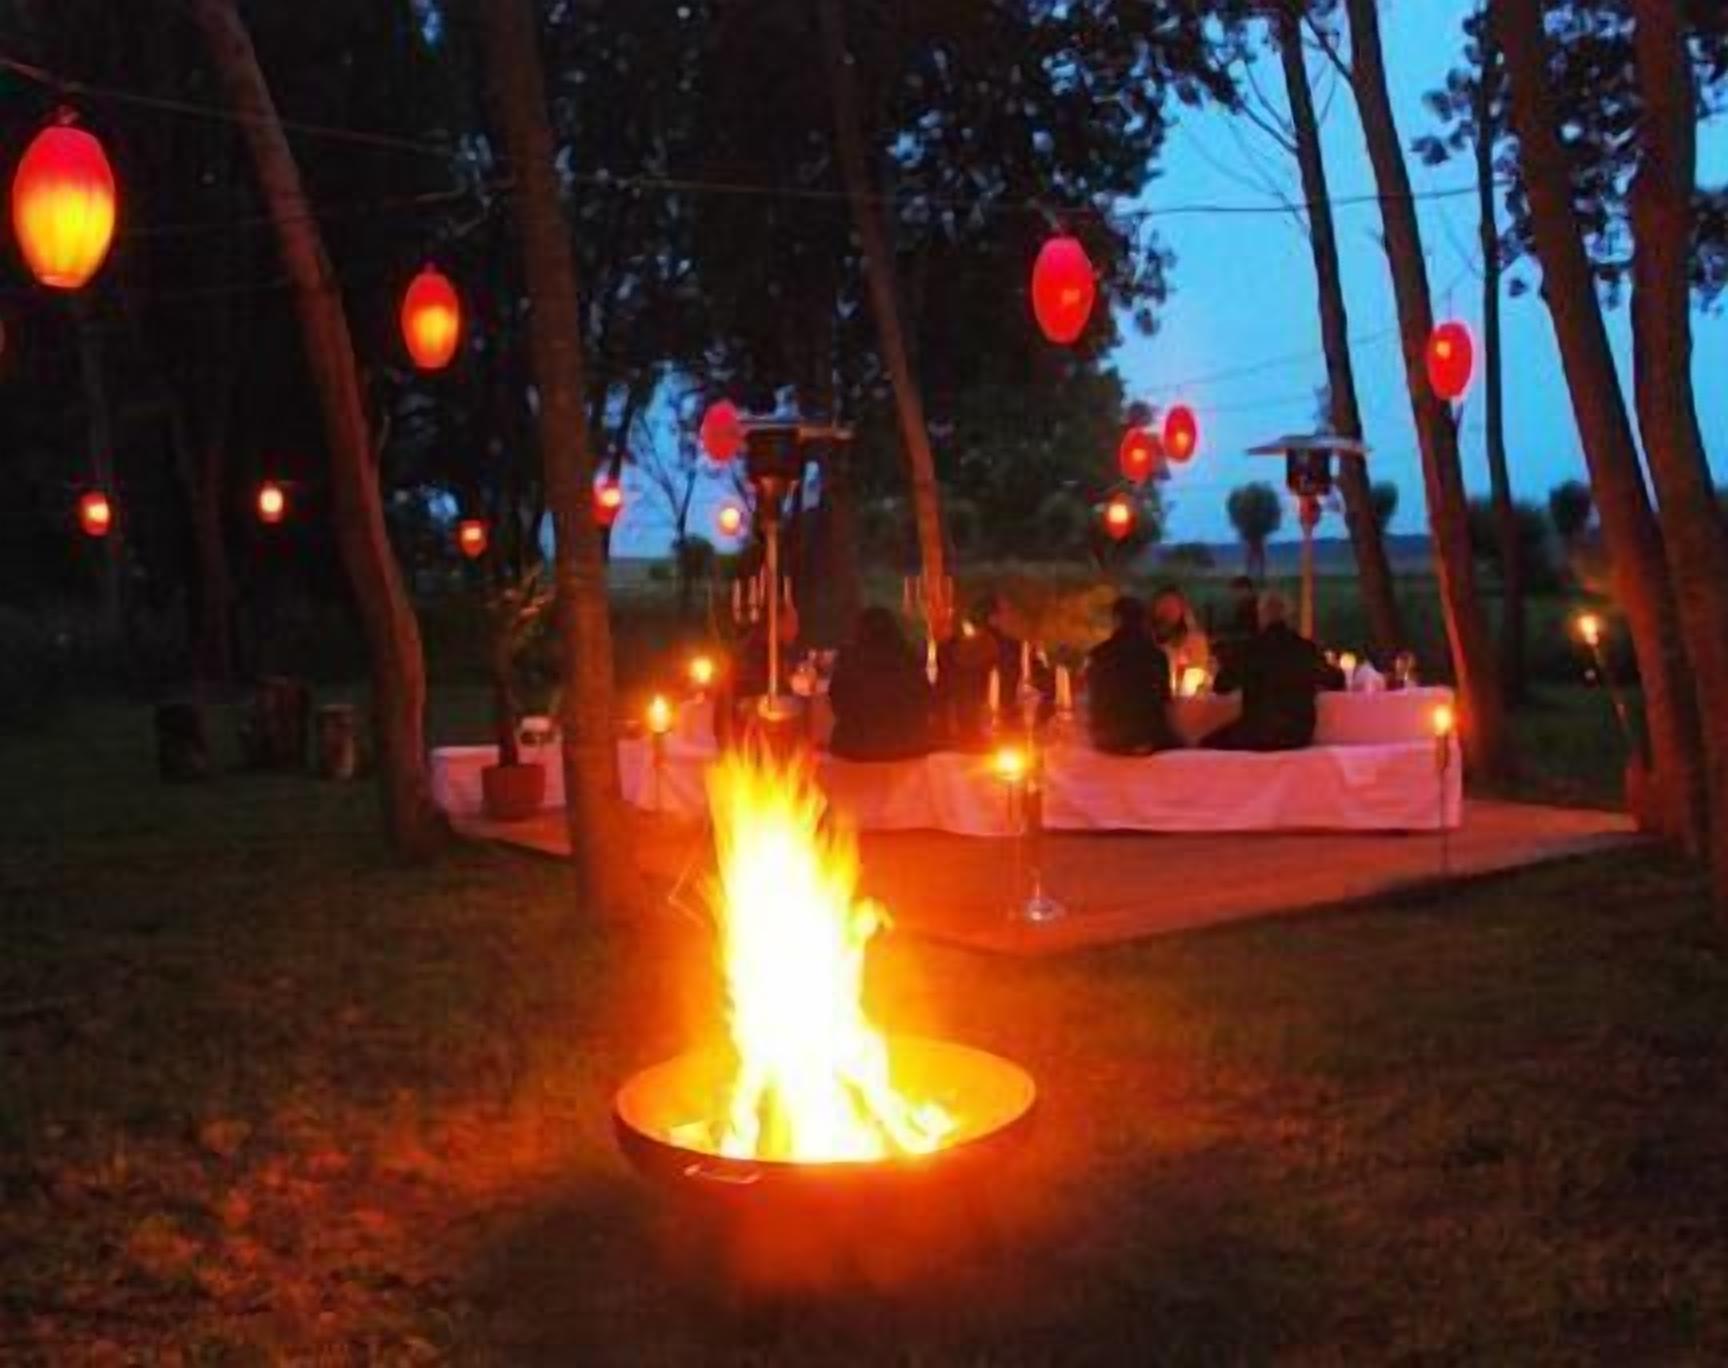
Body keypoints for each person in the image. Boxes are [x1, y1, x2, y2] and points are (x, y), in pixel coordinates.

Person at [1203, 591, 1345, 752]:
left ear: (1261, 616)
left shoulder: (1250, 649)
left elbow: (1221, 686)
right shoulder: (1305, 649)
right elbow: (1336, 680)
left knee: (1207, 746)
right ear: (1289, 616)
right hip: (1297, 734)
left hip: (1257, 732)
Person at [828, 607, 935, 761]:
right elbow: (925, 700)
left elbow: (838, 703)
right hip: (907, 749)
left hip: (855, 750)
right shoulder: (909, 660)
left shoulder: (848, 661)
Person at [1085, 596, 1176, 755]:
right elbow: (1165, 699)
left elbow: (1094, 697)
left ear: (1116, 620)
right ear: (1144, 621)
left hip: (1106, 738)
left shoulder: (1098, 655)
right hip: (1148, 737)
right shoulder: (1156, 656)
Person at [1149, 584, 1211, 684]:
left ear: (1183, 610)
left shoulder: (1194, 639)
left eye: (1173, 605)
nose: (1168, 609)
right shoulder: (1145, 638)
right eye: (1164, 604)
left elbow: (1198, 671)